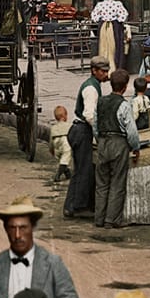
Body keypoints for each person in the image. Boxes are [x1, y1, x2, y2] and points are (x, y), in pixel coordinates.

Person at [92, 68, 143, 230]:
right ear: (125, 87)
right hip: (118, 143)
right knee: (117, 183)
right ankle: (111, 220)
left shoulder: (100, 102)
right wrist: (136, 148)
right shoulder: (124, 105)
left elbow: (95, 125)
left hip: (103, 142)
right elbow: (132, 132)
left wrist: (99, 140)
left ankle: (98, 218)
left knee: (101, 183)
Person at [64, 59, 109, 218]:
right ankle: (74, 206)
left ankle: (74, 205)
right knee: (83, 170)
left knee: (82, 169)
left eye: (106, 71)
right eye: (102, 71)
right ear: (94, 70)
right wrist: (98, 134)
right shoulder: (91, 88)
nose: (105, 74)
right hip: (82, 130)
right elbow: (89, 115)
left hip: (79, 130)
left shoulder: (93, 85)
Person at [91, 0, 130, 73]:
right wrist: (118, 20)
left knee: (103, 47)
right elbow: (124, 15)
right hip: (114, 27)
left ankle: (102, 69)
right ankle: (114, 68)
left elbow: (94, 16)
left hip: (103, 27)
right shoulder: (117, 4)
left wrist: (101, 19)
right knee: (114, 48)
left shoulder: (99, 4)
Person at [48, 106, 73, 186]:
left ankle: (67, 173)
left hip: (56, 143)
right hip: (65, 142)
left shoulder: (53, 127)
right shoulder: (69, 126)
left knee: (61, 158)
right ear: (65, 116)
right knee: (66, 157)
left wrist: (51, 150)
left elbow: (51, 141)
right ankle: (57, 175)